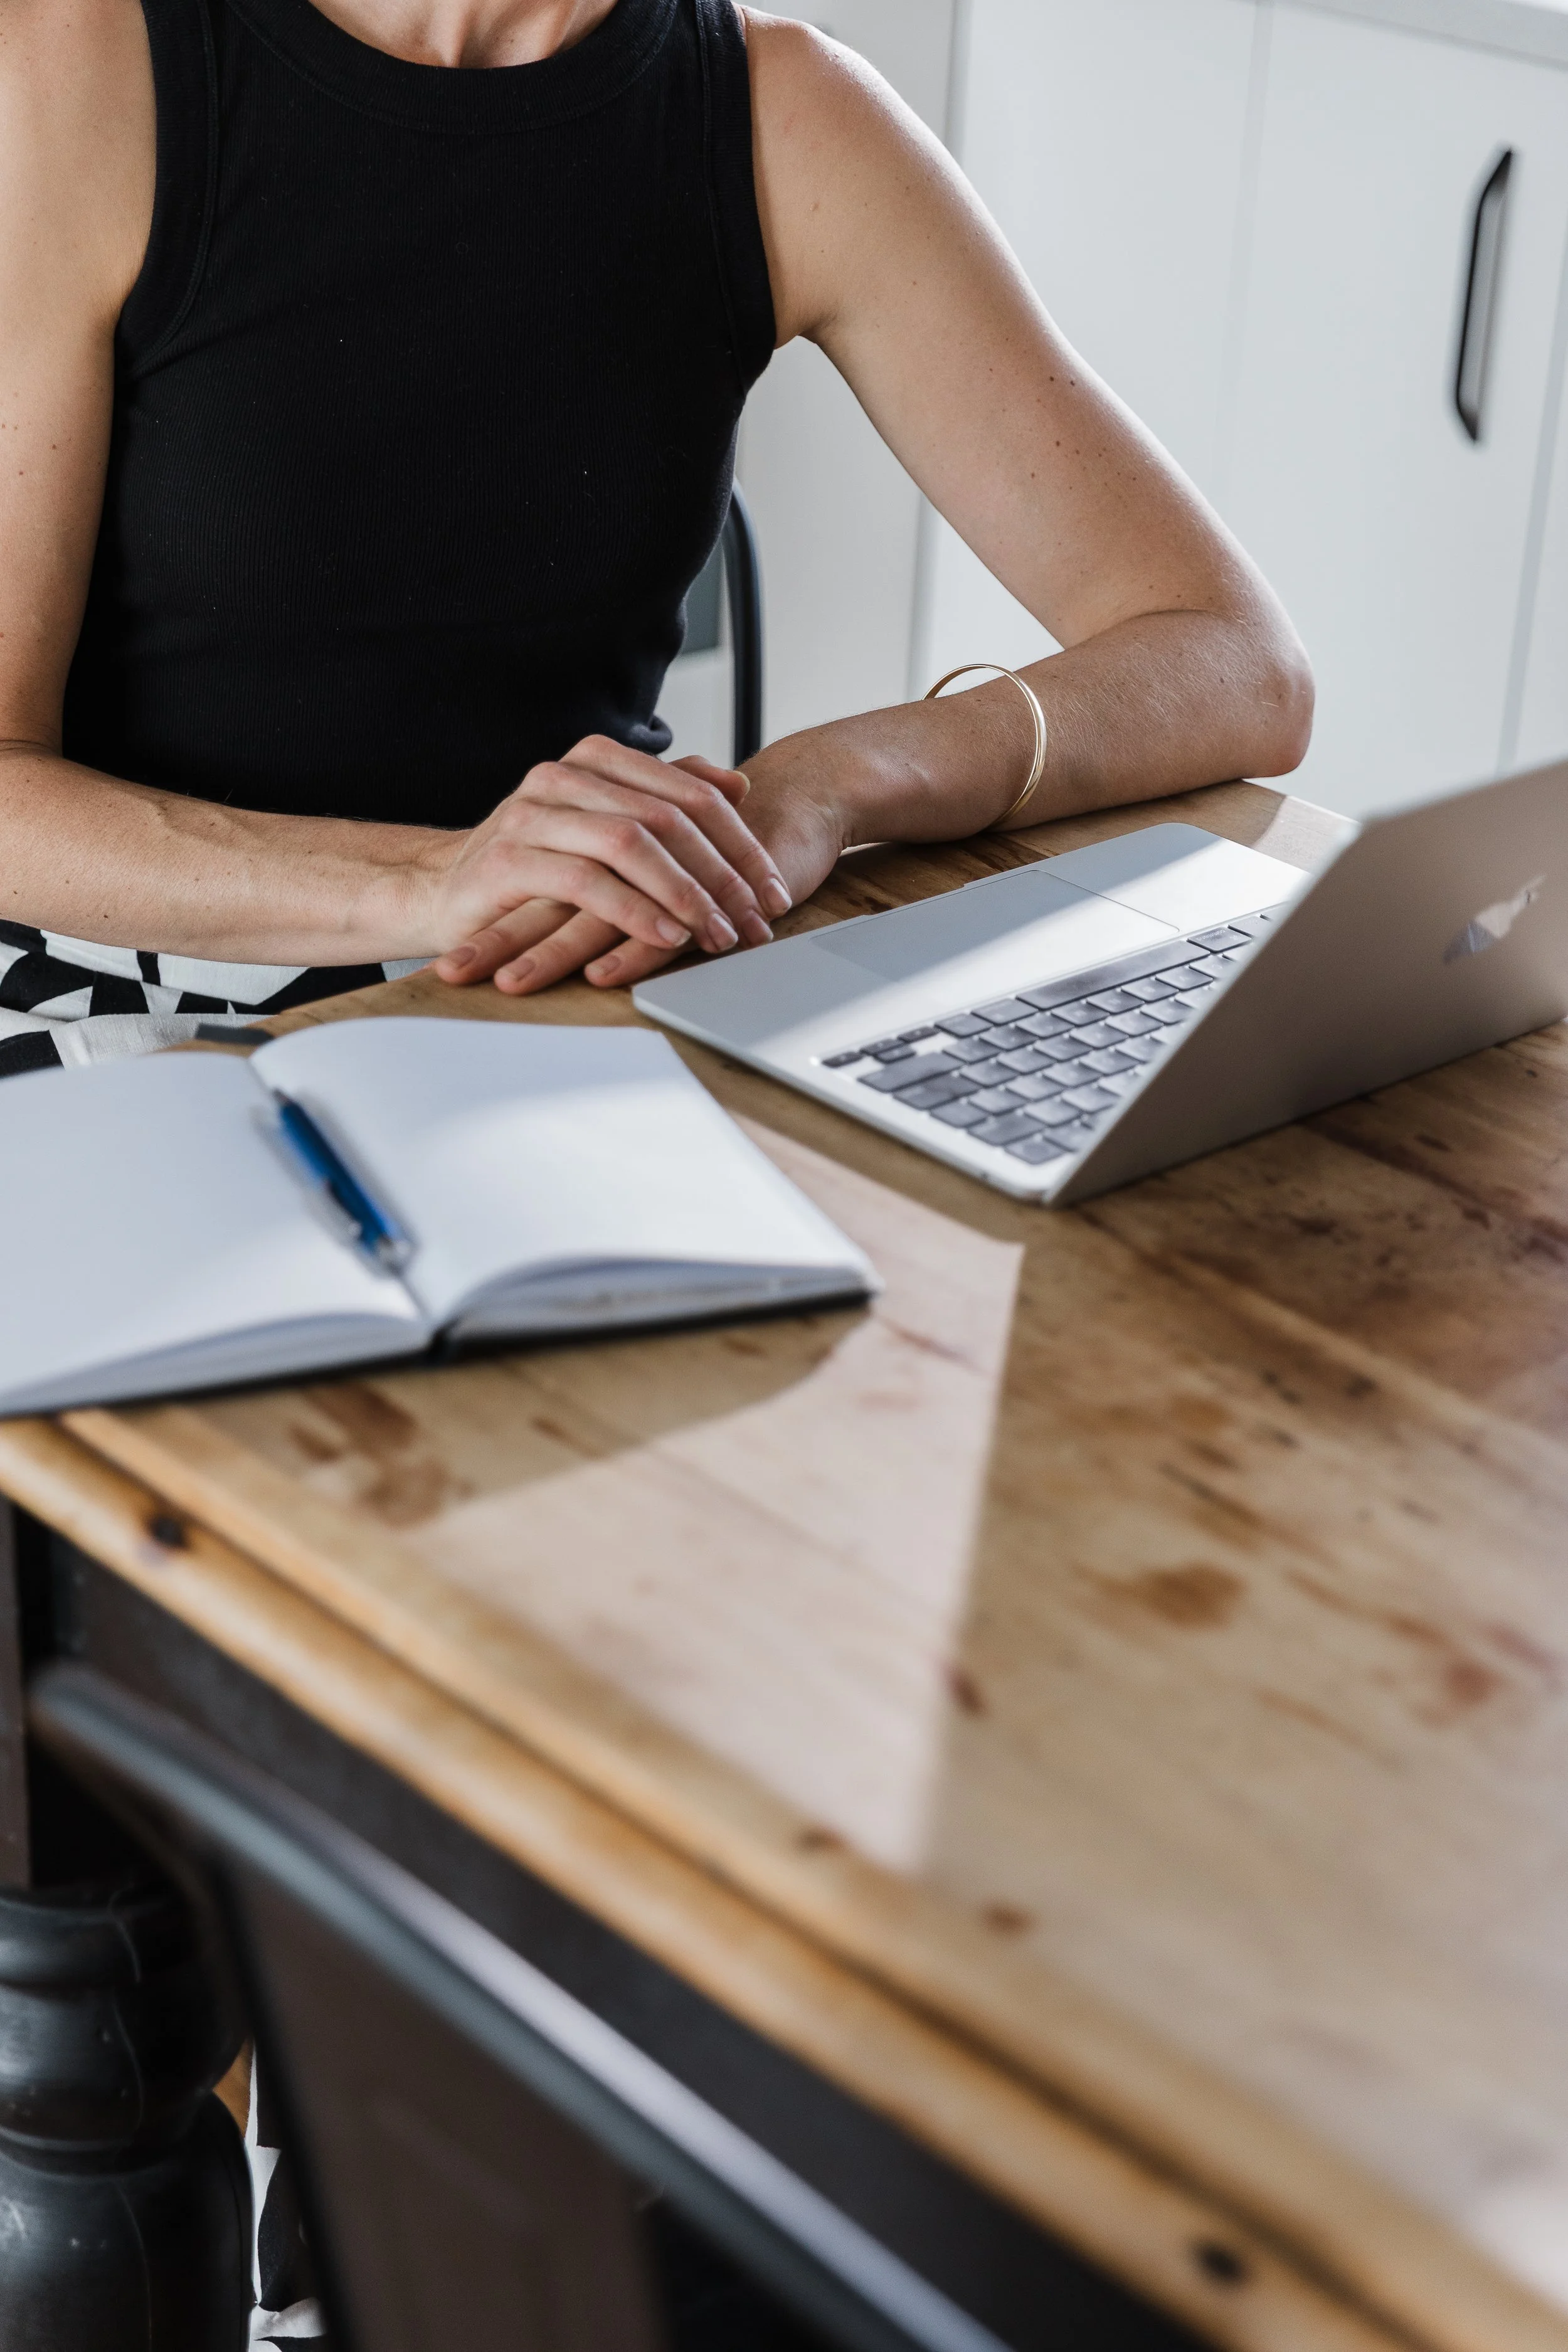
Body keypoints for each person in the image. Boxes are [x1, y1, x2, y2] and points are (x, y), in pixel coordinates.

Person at [0, 0, 1311, 1081]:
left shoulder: (783, 116)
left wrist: (815, 787)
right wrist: (431, 881)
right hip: (104, 1001)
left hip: (579, 983)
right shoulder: (79, 62)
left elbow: (1234, 664)